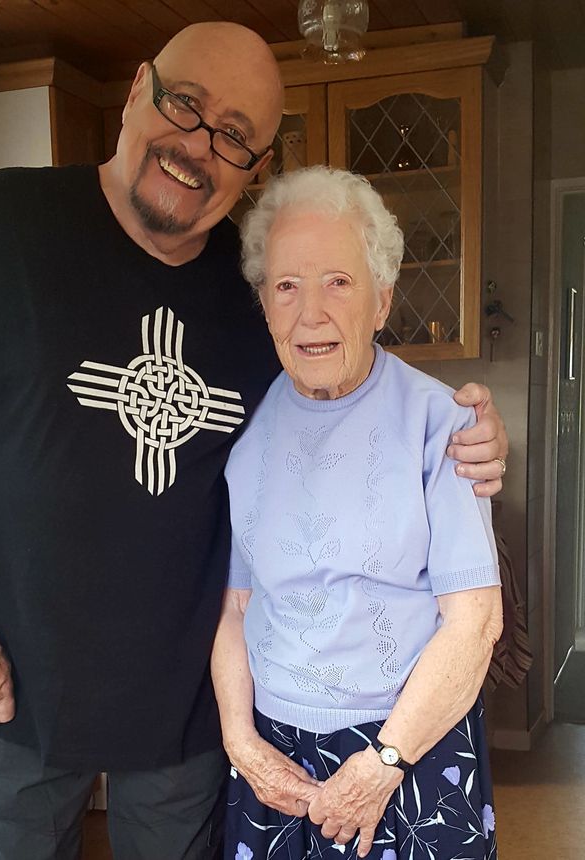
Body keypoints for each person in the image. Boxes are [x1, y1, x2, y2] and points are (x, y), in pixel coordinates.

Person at [0, 22, 507, 860]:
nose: (200, 146)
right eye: (185, 105)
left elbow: (343, 387)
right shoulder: (2, 222)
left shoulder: (252, 290)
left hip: (187, 721)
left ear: (254, 166)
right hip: (10, 694)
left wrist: (465, 431)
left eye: (236, 136)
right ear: (137, 89)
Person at [213, 165, 502, 860]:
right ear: (264, 304)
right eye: (287, 286)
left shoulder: (441, 423)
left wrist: (385, 762)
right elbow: (234, 607)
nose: (311, 313)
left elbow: (475, 622)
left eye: (338, 282)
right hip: (274, 756)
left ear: (382, 301)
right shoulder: (243, 430)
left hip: (411, 747)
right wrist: (240, 740)